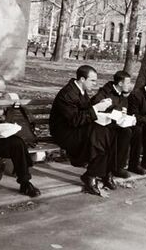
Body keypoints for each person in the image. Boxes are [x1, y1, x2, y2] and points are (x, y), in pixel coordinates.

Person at [49, 65, 115, 196]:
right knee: (100, 135)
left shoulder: (80, 89)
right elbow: (74, 120)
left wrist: (99, 105)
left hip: (76, 128)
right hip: (64, 132)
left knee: (108, 132)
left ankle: (101, 172)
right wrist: (96, 108)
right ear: (82, 79)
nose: (95, 84)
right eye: (93, 81)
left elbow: (84, 110)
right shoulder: (67, 93)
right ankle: (94, 175)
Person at [91, 71, 133, 179]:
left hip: (115, 123)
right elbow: (96, 103)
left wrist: (123, 114)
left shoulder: (122, 95)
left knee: (128, 131)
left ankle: (118, 167)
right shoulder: (106, 91)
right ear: (120, 83)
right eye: (128, 83)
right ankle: (109, 170)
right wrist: (113, 109)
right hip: (101, 125)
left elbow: (123, 108)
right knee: (117, 134)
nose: (130, 85)